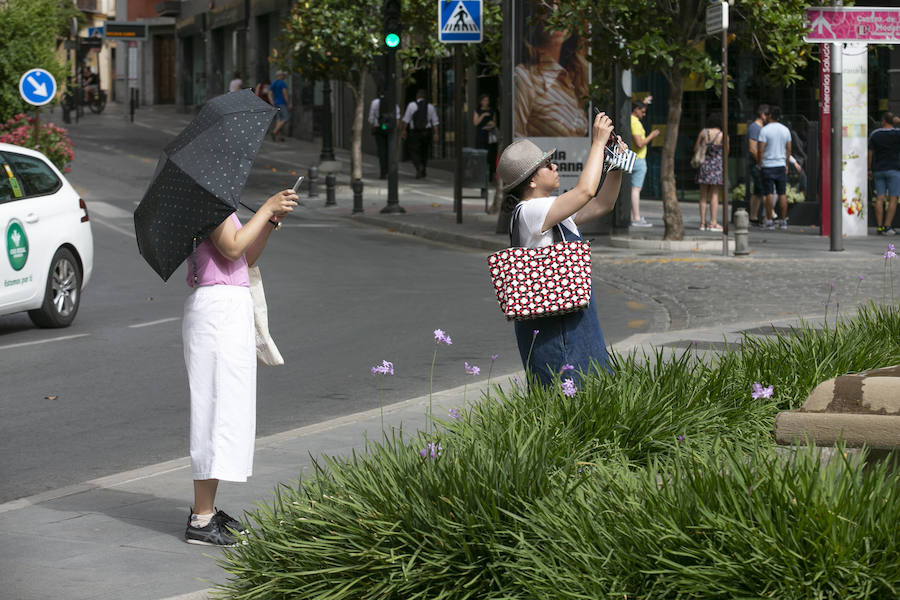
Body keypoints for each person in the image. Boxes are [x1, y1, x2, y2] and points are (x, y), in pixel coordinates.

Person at [182, 188, 298, 546]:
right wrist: (265, 209)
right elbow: (230, 247)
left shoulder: (219, 203)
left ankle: (207, 510)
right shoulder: (203, 199)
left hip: (230, 307)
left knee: (228, 412)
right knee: (214, 413)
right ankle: (201, 520)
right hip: (216, 311)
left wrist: (269, 222)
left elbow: (244, 258)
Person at [496, 112, 622, 386]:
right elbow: (585, 192)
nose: (554, 168)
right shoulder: (530, 211)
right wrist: (598, 143)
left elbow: (602, 204)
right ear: (531, 181)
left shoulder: (550, 211)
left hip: (571, 313)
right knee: (566, 391)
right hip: (556, 324)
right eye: (547, 165)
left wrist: (616, 164)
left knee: (588, 386)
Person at [514, 20, 589, 138]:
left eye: (562, 5)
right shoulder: (525, 77)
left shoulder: (572, 78)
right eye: (548, 4)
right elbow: (516, 143)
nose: (555, 14)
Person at [757, 105, 792, 230]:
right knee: (782, 193)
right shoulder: (785, 130)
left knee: (769, 193)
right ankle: (783, 221)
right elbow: (788, 149)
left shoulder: (765, 130)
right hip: (780, 165)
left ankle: (770, 220)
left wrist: (759, 163)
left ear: (770, 115)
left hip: (767, 165)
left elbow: (760, 149)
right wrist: (786, 163)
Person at [867, 111, 900, 235]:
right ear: (893, 121)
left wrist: (869, 169)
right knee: (893, 198)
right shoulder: (897, 133)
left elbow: (870, 153)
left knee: (879, 198)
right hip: (894, 169)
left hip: (879, 170)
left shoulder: (875, 134)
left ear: (884, 121)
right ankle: (887, 226)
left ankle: (880, 227)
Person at [630, 98, 660, 227]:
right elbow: (639, 143)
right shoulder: (635, 122)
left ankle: (633, 216)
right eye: (642, 111)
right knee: (636, 189)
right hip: (638, 158)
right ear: (636, 110)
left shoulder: (630, 120)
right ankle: (636, 218)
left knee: (633, 189)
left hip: (634, 158)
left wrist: (645, 101)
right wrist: (652, 136)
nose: (644, 114)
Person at [693, 112, 725, 231]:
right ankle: (713, 222)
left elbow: (696, 148)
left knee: (703, 195)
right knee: (715, 195)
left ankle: (702, 223)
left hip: (704, 165)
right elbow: (726, 153)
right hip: (716, 167)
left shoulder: (704, 132)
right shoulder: (723, 135)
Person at [400, 89, 439, 179]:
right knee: (424, 152)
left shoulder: (411, 105)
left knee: (413, 150)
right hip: (426, 132)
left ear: (417, 96)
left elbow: (406, 119)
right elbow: (435, 122)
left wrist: (403, 130)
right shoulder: (430, 106)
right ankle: (423, 170)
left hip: (415, 132)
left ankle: (419, 166)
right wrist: (436, 133)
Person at [368, 90, 400, 179]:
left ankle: (383, 172)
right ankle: (391, 171)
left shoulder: (374, 103)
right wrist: (396, 130)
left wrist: (372, 128)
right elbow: (397, 118)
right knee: (390, 151)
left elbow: (371, 118)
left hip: (379, 128)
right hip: (389, 129)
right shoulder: (393, 103)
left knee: (382, 151)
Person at [747, 104, 770, 226]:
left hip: (758, 164)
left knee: (757, 192)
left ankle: (753, 216)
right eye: (768, 115)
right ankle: (769, 216)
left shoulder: (758, 127)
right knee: (765, 190)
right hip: (757, 165)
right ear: (763, 115)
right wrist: (761, 162)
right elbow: (752, 149)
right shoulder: (755, 128)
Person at [473, 94, 498, 182]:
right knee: (481, 155)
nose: (486, 102)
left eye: (487, 100)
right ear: (481, 101)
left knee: (490, 156)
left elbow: (494, 123)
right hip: (481, 135)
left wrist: (491, 124)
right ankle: (480, 175)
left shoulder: (492, 111)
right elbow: (475, 123)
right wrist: (483, 115)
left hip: (490, 135)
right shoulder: (478, 111)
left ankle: (490, 176)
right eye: (484, 100)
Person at [268, 71, 289, 142]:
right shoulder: (282, 83)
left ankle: (279, 137)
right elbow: (285, 93)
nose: (284, 77)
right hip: (282, 103)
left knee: (279, 119)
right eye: (284, 75)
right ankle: (274, 132)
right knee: (286, 118)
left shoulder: (274, 83)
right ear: (280, 75)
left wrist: (272, 102)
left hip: (276, 104)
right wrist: (287, 103)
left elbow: (269, 93)